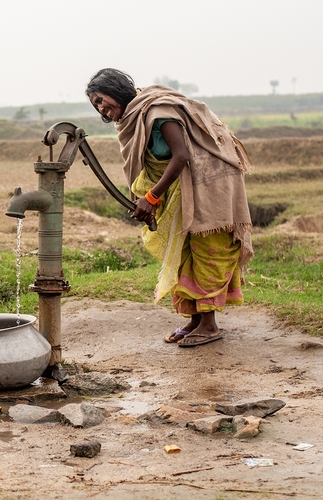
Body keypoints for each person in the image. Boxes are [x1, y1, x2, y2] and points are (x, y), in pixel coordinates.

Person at [85, 68, 254, 347]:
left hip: (208, 184)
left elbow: (181, 156)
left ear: (117, 91)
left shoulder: (158, 111)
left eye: (102, 99)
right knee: (184, 248)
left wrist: (151, 198)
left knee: (207, 246)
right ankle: (196, 320)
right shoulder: (133, 119)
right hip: (180, 187)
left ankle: (210, 325)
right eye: (96, 105)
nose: (101, 108)